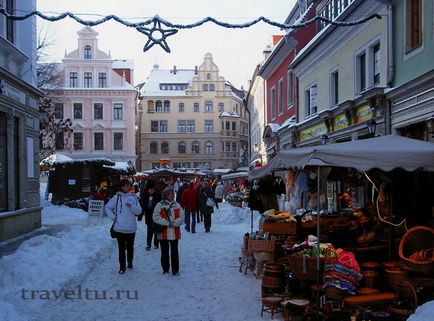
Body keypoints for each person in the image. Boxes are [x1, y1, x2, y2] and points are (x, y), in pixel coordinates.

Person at [105, 179, 142, 274]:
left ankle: (130, 262)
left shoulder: (133, 198)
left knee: (130, 247)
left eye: (129, 185)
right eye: (126, 185)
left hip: (131, 228)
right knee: (121, 249)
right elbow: (107, 207)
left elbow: (139, 211)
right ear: (122, 187)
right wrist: (113, 217)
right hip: (119, 228)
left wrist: (132, 206)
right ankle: (122, 267)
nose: (128, 187)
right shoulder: (116, 197)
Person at [153, 187, 185, 275]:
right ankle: (165, 269)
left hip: (174, 232)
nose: (173, 195)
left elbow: (182, 217)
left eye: (173, 194)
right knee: (164, 252)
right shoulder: (159, 205)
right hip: (163, 233)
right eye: (171, 194)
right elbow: (155, 217)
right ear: (166, 195)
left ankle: (175, 270)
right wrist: (167, 223)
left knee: (175, 252)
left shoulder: (177, 205)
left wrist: (174, 223)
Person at [139, 182, 161, 251]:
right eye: (150, 189)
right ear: (148, 189)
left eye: (152, 189)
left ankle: (156, 244)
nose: (151, 190)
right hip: (148, 215)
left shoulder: (158, 196)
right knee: (149, 231)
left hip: (156, 216)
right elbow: (142, 206)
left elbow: (161, 206)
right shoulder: (145, 196)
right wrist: (140, 215)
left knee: (156, 230)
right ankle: (148, 244)